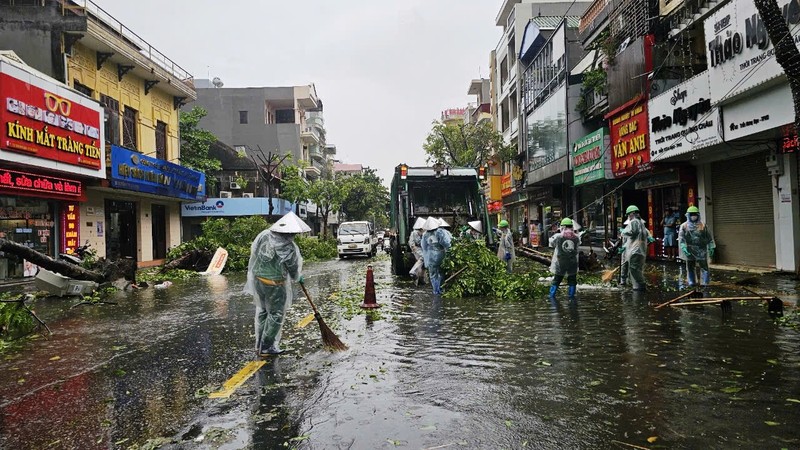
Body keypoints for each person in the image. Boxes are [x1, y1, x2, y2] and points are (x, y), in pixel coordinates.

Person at [244, 211, 309, 356]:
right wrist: (297, 277)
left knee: (263, 311)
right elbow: (292, 266)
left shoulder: (263, 235)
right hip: (274, 284)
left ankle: (259, 344)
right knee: (276, 313)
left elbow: (254, 252)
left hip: (258, 280)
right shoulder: (288, 246)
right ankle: (267, 346)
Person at [678, 205, 715, 287]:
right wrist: (684, 247)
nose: (693, 216)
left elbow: (709, 237)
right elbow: (681, 238)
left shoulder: (703, 225)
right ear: (688, 215)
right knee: (690, 266)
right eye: (691, 214)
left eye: (694, 214)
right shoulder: (684, 226)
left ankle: (705, 282)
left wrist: (711, 247)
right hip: (690, 250)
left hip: (701, 250)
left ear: (698, 215)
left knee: (704, 267)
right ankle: (692, 282)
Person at [548, 218, 581, 300]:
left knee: (557, 280)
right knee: (572, 280)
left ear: (562, 227)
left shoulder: (558, 237)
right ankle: (571, 297)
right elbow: (578, 245)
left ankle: (552, 297)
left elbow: (551, 244)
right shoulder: (576, 238)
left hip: (560, 262)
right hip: (573, 263)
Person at [620, 205, 649, 291]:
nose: (629, 217)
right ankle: (637, 286)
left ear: (632, 214)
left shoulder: (634, 222)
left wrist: (623, 231)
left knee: (634, 269)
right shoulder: (640, 223)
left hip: (635, 250)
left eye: (629, 215)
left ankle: (640, 285)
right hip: (639, 250)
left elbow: (632, 232)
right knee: (636, 269)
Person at [421, 216, 452, 295]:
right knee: (441, 272)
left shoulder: (425, 234)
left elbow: (424, 246)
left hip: (430, 256)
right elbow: (447, 243)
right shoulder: (440, 232)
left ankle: (435, 290)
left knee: (433, 274)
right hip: (440, 254)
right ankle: (440, 289)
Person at [408, 217, 426, 285]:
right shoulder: (415, 232)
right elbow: (411, 242)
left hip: (422, 249)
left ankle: (421, 278)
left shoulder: (423, 232)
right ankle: (413, 271)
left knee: (423, 264)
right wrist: (414, 248)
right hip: (417, 249)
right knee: (422, 258)